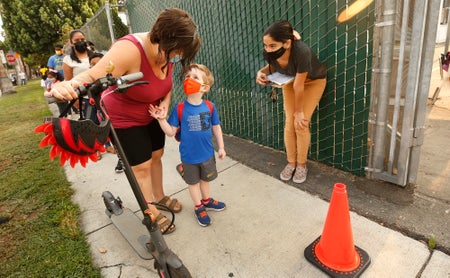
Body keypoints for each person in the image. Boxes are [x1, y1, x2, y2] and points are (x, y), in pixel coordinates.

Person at [49, 8, 201, 233]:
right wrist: (65, 85)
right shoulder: (129, 50)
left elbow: (166, 84)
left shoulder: (166, 48)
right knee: (141, 167)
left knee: (156, 156)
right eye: (176, 51)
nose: (178, 55)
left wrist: (166, 104)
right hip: (124, 117)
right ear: (164, 39)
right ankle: (150, 210)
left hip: (151, 112)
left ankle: (158, 196)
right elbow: (91, 75)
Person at [149, 63, 226, 227]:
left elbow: (216, 127)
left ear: (204, 87)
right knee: (193, 183)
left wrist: (221, 147)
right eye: (187, 76)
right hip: (189, 157)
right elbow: (170, 132)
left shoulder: (210, 107)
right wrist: (161, 120)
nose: (189, 79)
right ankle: (198, 207)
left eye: (195, 77)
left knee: (206, 180)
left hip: (207, 155)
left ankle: (206, 200)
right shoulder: (180, 108)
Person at [256, 20, 327, 184]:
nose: (267, 49)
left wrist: (299, 111)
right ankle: (291, 162)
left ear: (287, 43)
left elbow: (299, 84)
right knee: (289, 123)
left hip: (312, 82)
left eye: (272, 46)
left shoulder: (301, 51)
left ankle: (301, 165)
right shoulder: (269, 50)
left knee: (300, 123)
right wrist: (260, 72)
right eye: (265, 45)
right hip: (290, 79)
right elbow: (272, 67)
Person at [62, 30, 93, 115]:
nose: (80, 42)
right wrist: (74, 99)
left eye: (82, 39)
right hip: (84, 98)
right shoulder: (68, 60)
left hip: (101, 94)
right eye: (76, 40)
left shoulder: (94, 55)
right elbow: (69, 81)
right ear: (71, 43)